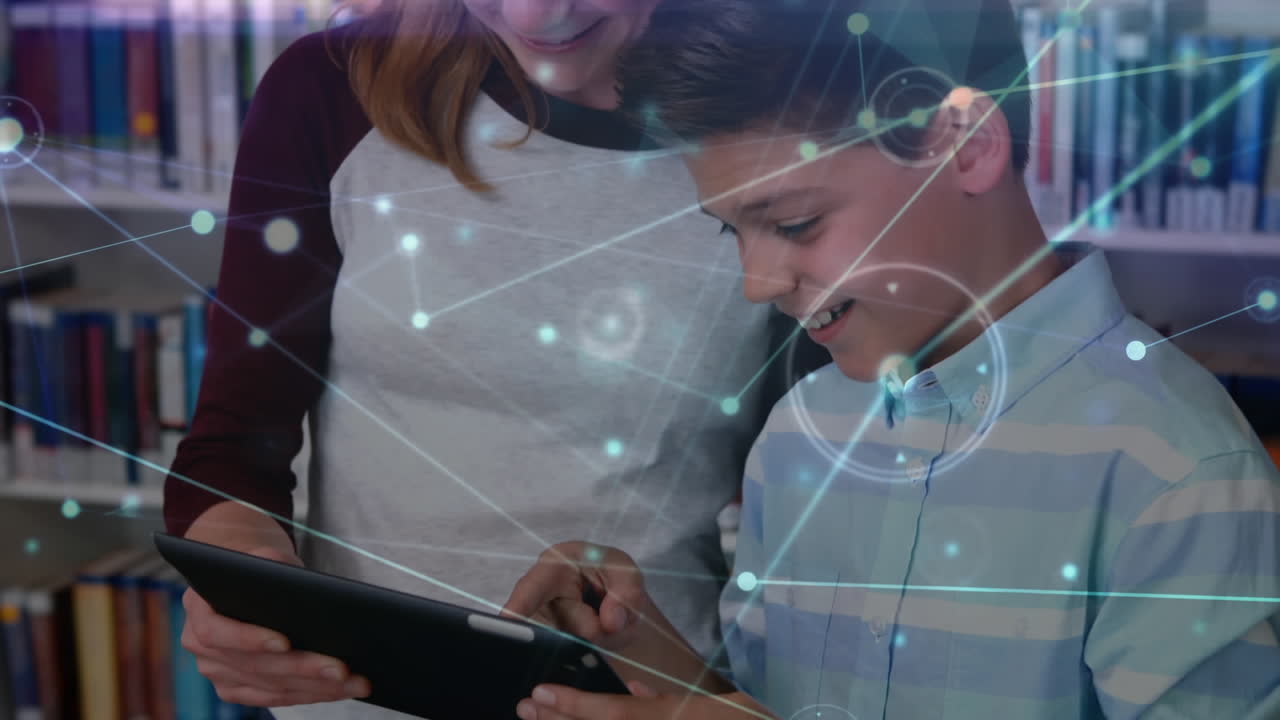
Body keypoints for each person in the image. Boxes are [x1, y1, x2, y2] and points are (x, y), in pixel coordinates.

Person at [502, 0, 1280, 718]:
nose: (757, 282)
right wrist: (645, 647)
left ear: (966, 144)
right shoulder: (798, 436)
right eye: (730, 231)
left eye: (797, 223)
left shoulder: (1177, 470)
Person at [162, 0, 828, 716]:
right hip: (357, 699)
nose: (532, 14)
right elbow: (233, 444)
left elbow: (829, 497)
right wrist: (241, 585)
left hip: (649, 698)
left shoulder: (795, 116)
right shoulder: (331, 87)